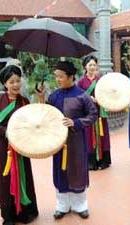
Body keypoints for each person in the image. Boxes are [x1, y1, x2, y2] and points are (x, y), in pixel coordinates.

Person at [0, 65, 38, 225]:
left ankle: (23, 211)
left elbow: (33, 120)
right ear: (4, 84)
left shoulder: (24, 101)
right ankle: (8, 215)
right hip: (3, 145)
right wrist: (5, 132)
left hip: (21, 145)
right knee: (5, 177)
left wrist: (40, 97)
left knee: (23, 175)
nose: (15, 85)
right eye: (11, 82)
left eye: (17, 81)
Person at [46, 61, 98, 219]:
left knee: (77, 170)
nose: (58, 80)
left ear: (71, 77)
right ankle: (62, 205)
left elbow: (93, 115)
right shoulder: (54, 96)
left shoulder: (82, 95)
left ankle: (80, 205)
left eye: (61, 77)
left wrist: (75, 123)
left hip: (76, 141)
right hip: (59, 142)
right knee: (60, 171)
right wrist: (42, 98)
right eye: (56, 77)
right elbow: (46, 114)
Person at [77, 55, 111, 170]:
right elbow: (77, 96)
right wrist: (88, 99)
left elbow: (106, 93)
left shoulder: (100, 80)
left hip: (100, 112)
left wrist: (99, 99)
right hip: (87, 113)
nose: (92, 67)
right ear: (85, 66)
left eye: (94, 65)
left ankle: (103, 161)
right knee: (88, 136)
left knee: (102, 135)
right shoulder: (81, 82)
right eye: (90, 65)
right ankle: (91, 162)